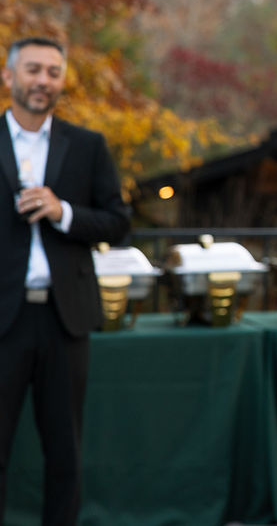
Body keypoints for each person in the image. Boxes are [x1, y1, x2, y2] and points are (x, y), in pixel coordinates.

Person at [0, 37, 131, 525]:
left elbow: (118, 222)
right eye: (33, 69)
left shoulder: (88, 145)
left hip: (64, 319)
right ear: (9, 76)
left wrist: (64, 212)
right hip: (3, 321)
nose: (44, 81)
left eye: (54, 72)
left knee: (64, 452)